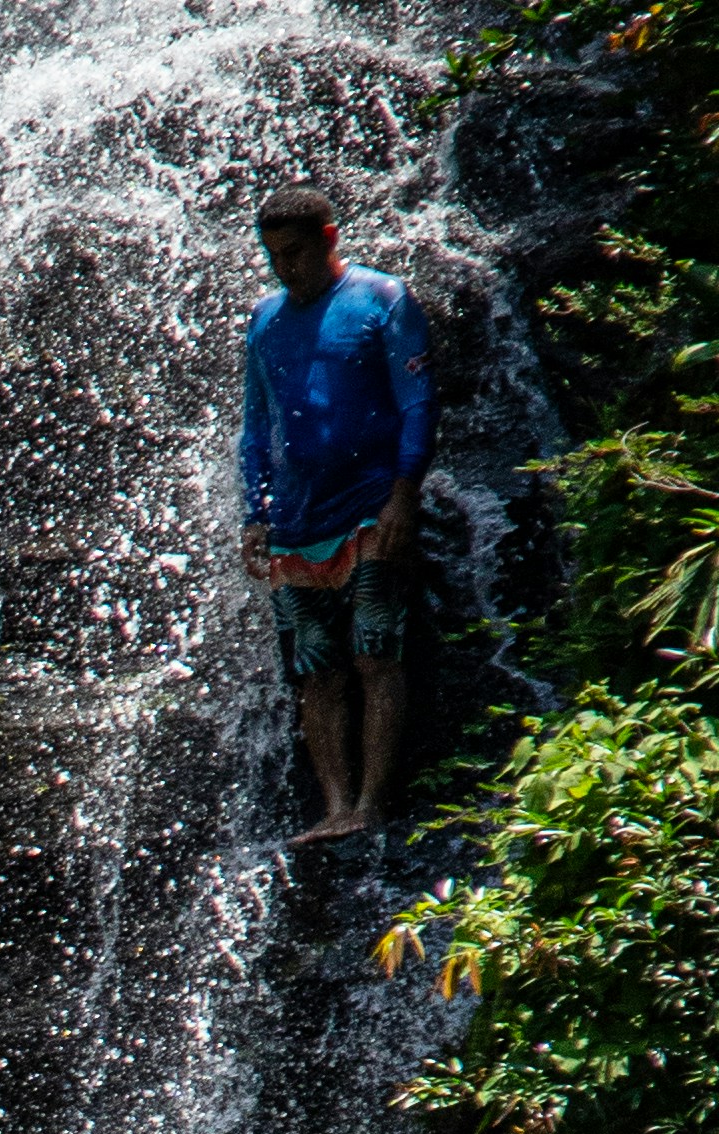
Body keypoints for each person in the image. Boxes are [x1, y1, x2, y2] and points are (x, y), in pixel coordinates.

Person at [237, 185, 436, 845]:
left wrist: (404, 494)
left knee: (377, 649)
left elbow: (417, 402)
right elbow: (254, 427)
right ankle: (333, 806)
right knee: (314, 669)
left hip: (370, 507)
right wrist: (253, 514)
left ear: (329, 239)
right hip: (296, 520)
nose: (282, 267)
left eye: (294, 252)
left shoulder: (382, 300)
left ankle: (372, 802)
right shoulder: (265, 320)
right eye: (272, 255)